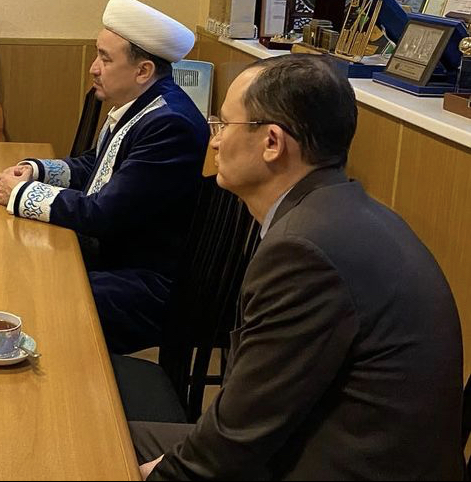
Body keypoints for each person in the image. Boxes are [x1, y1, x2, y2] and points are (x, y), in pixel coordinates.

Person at [132, 55, 464, 480]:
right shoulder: (341, 212)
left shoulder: (303, 250)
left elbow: (239, 439)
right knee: (111, 434)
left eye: (225, 124)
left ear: (272, 142)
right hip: (318, 441)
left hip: (337, 465)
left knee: (99, 444)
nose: (214, 140)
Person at [0, 0, 209, 353]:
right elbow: (95, 165)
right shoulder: (143, 103)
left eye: (105, 59)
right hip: (117, 259)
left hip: (146, 281)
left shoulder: (169, 124)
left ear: (143, 71)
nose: (93, 68)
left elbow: (104, 213)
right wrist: (36, 171)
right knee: (17, 266)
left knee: (36, 292)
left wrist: (20, 194)